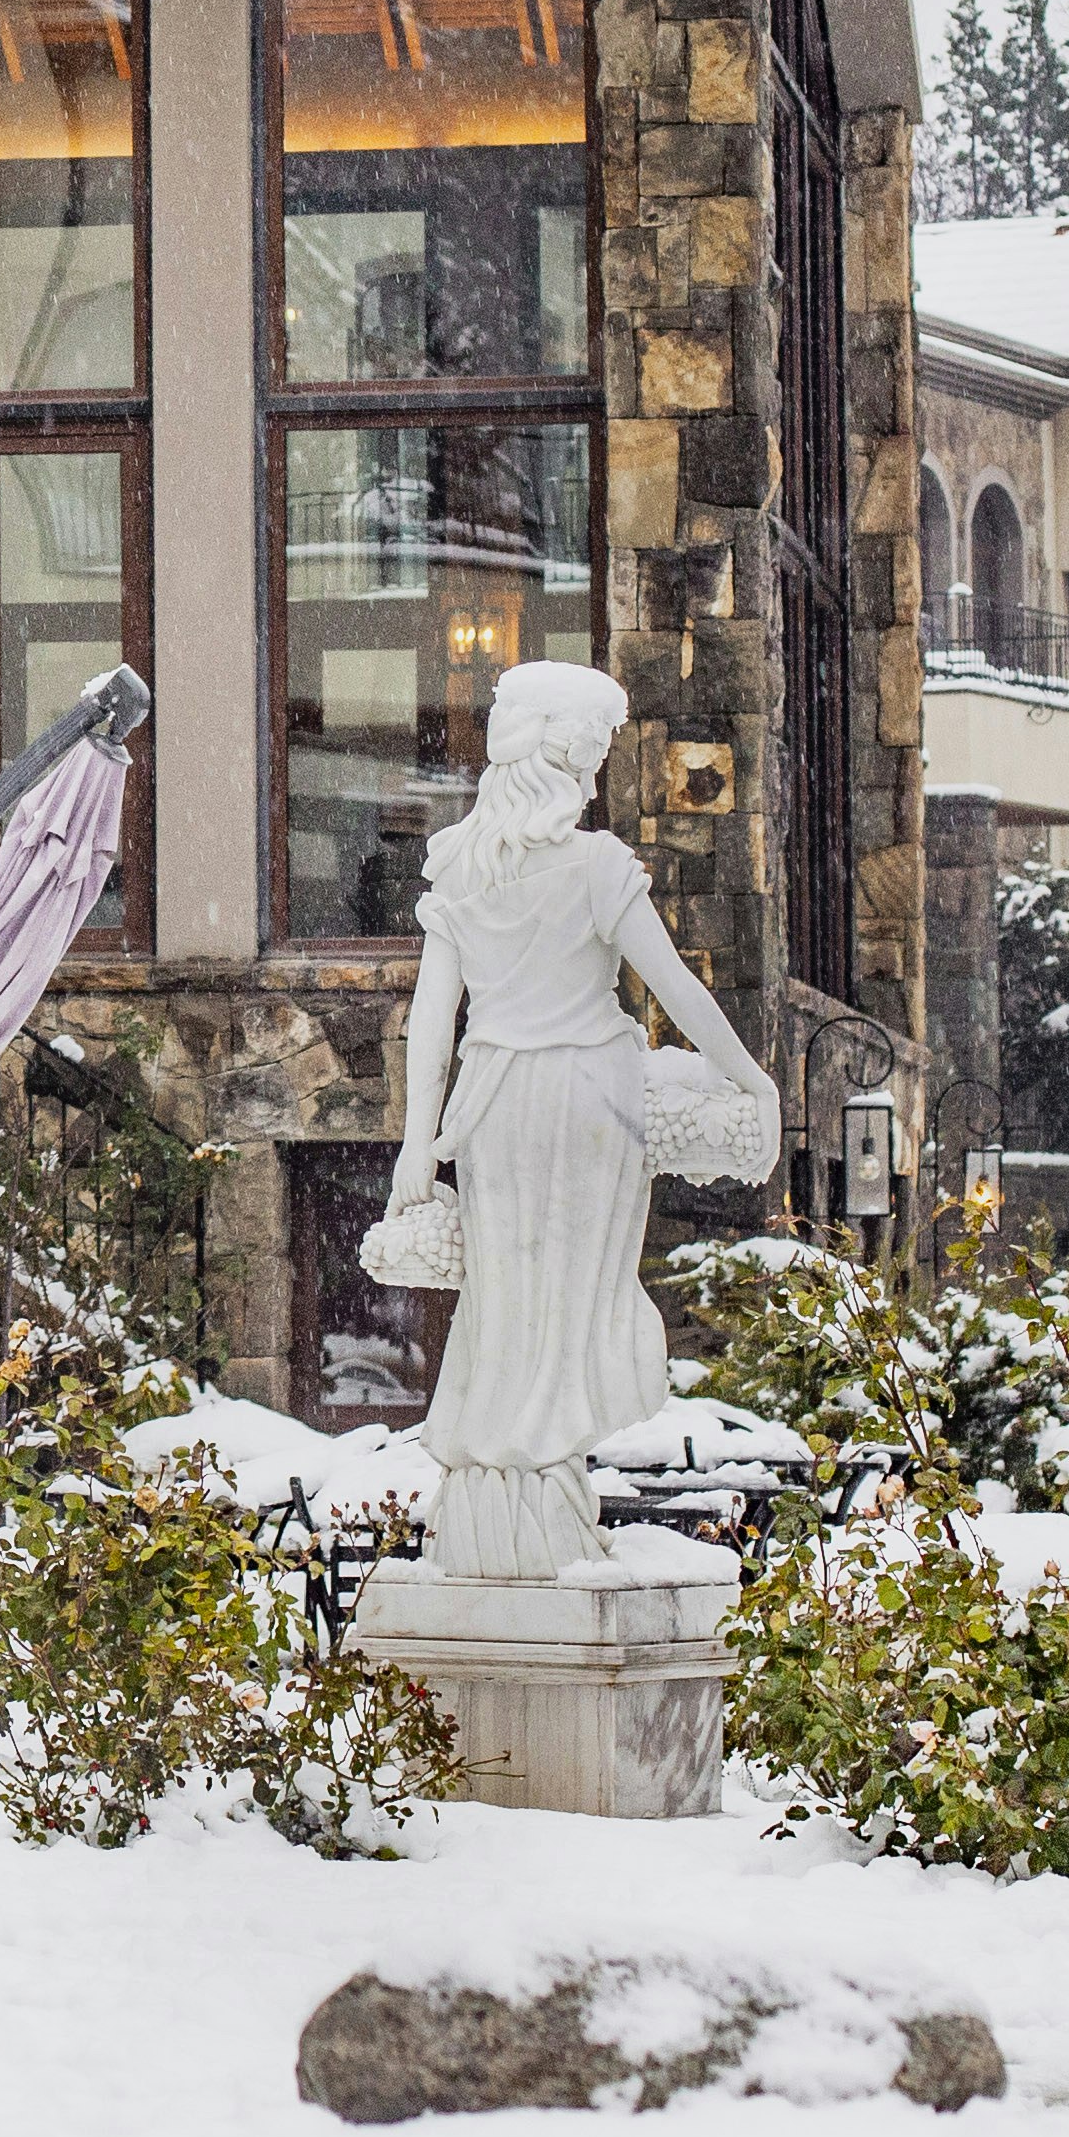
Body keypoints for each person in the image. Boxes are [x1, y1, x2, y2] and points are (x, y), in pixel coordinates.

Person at [365, 662, 776, 1579]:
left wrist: (415, 1145)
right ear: (561, 759)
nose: (594, 778)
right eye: (591, 756)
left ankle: (506, 1507)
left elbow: (433, 1021)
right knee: (573, 1302)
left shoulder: (460, 864)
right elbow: (675, 989)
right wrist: (751, 1081)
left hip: (497, 1102)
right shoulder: (593, 867)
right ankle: (541, 1508)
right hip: (591, 1099)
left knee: (507, 1300)